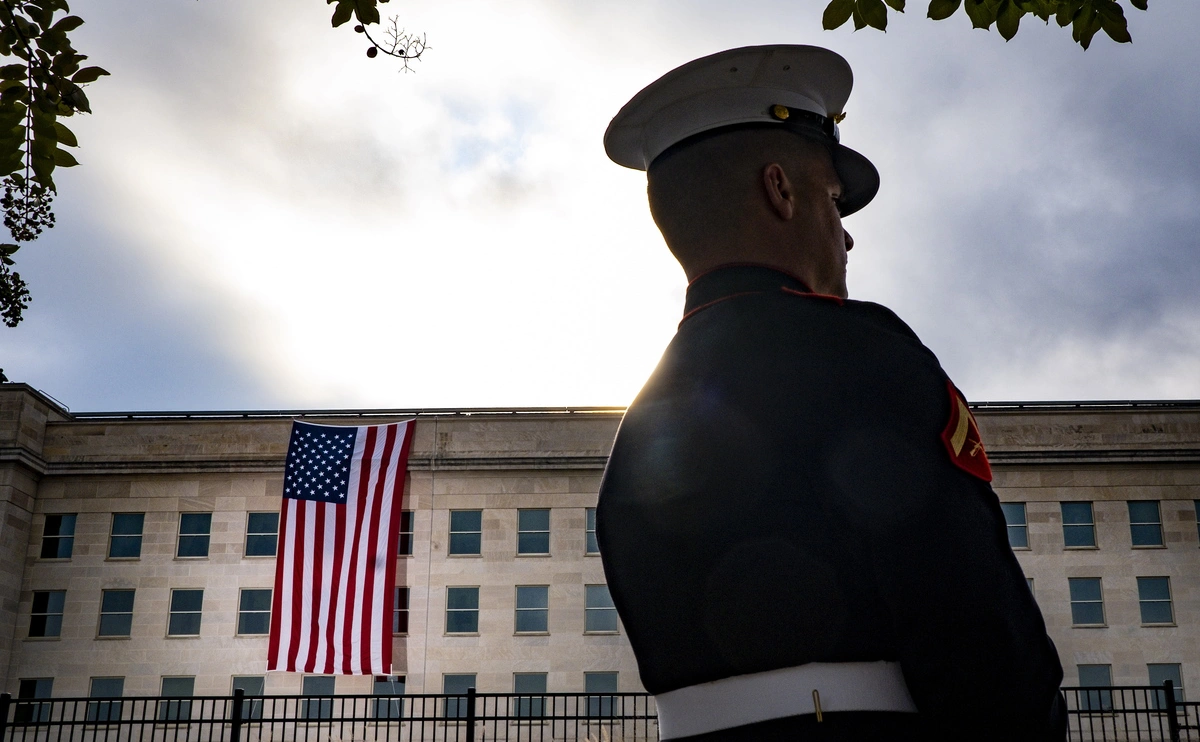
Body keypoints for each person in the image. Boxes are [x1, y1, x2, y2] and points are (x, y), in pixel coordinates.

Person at [595, 45, 1066, 741]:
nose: (845, 238)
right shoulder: (863, 355)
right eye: (832, 200)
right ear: (780, 190)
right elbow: (972, 624)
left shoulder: (640, 422)